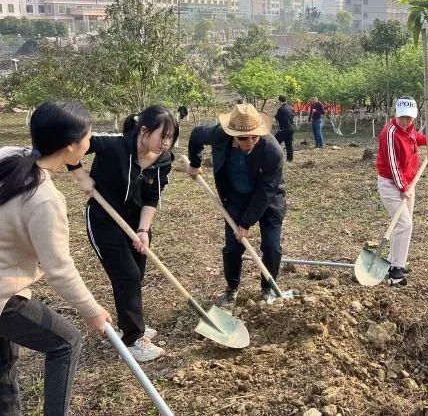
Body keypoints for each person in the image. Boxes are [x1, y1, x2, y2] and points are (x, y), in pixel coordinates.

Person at [0, 101, 111, 415]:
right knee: (65, 342)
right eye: (87, 137)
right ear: (71, 147)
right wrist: (91, 310)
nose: (89, 143)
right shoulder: (44, 198)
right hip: (4, 295)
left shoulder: (9, 155)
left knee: (4, 362)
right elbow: (59, 269)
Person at [68, 105, 177, 363]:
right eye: (162, 136)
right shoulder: (114, 145)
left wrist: (143, 230)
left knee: (135, 274)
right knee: (126, 274)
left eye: (171, 137)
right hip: (104, 221)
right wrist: (79, 174)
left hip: (135, 222)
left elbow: (153, 196)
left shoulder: (164, 159)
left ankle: (132, 321)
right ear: (144, 131)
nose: (166, 143)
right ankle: (133, 338)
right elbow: (71, 145)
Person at [187, 103, 286, 305]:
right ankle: (231, 288)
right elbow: (196, 135)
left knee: (272, 246)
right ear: (232, 134)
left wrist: (246, 223)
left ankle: (268, 288)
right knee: (233, 248)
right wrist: (195, 165)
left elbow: (266, 191)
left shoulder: (272, 151)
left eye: (254, 136)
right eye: (243, 137)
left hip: (268, 200)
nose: (249, 141)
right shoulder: (218, 134)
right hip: (236, 197)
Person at [375, 96, 428, 286]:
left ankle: (395, 262)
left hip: (408, 183)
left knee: (402, 225)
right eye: (402, 117)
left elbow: (414, 138)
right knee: (404, 224)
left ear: (414, 118)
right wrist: (402, 188)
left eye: (409, 118)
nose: (405, 121)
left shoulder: (409, 129)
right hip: (391, 184)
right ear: (396, 114)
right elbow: (393, 165)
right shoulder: (390, 133)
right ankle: (395, 272)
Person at [274, 95, 295, 162]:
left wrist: (276, 116)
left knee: (275, 143)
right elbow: (292, 116)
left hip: (284, 129)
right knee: (289, 144)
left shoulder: (281, 109)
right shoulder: (291, 108)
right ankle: (290, 159)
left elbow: (277, 117)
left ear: (280, 101)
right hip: (291, 128)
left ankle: (275, 158)